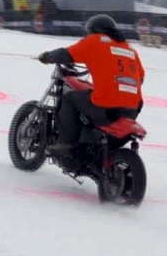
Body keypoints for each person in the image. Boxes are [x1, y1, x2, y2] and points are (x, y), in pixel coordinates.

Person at [37, 14, 145, 165]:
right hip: (133, 109)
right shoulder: (130, 49)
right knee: (91, 98)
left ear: (93, 30)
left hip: (106, 105)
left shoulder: (95, 41)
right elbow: (140, 78)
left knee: (69, 98)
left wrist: (47, 56)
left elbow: (66, 54)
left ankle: (66, 144)